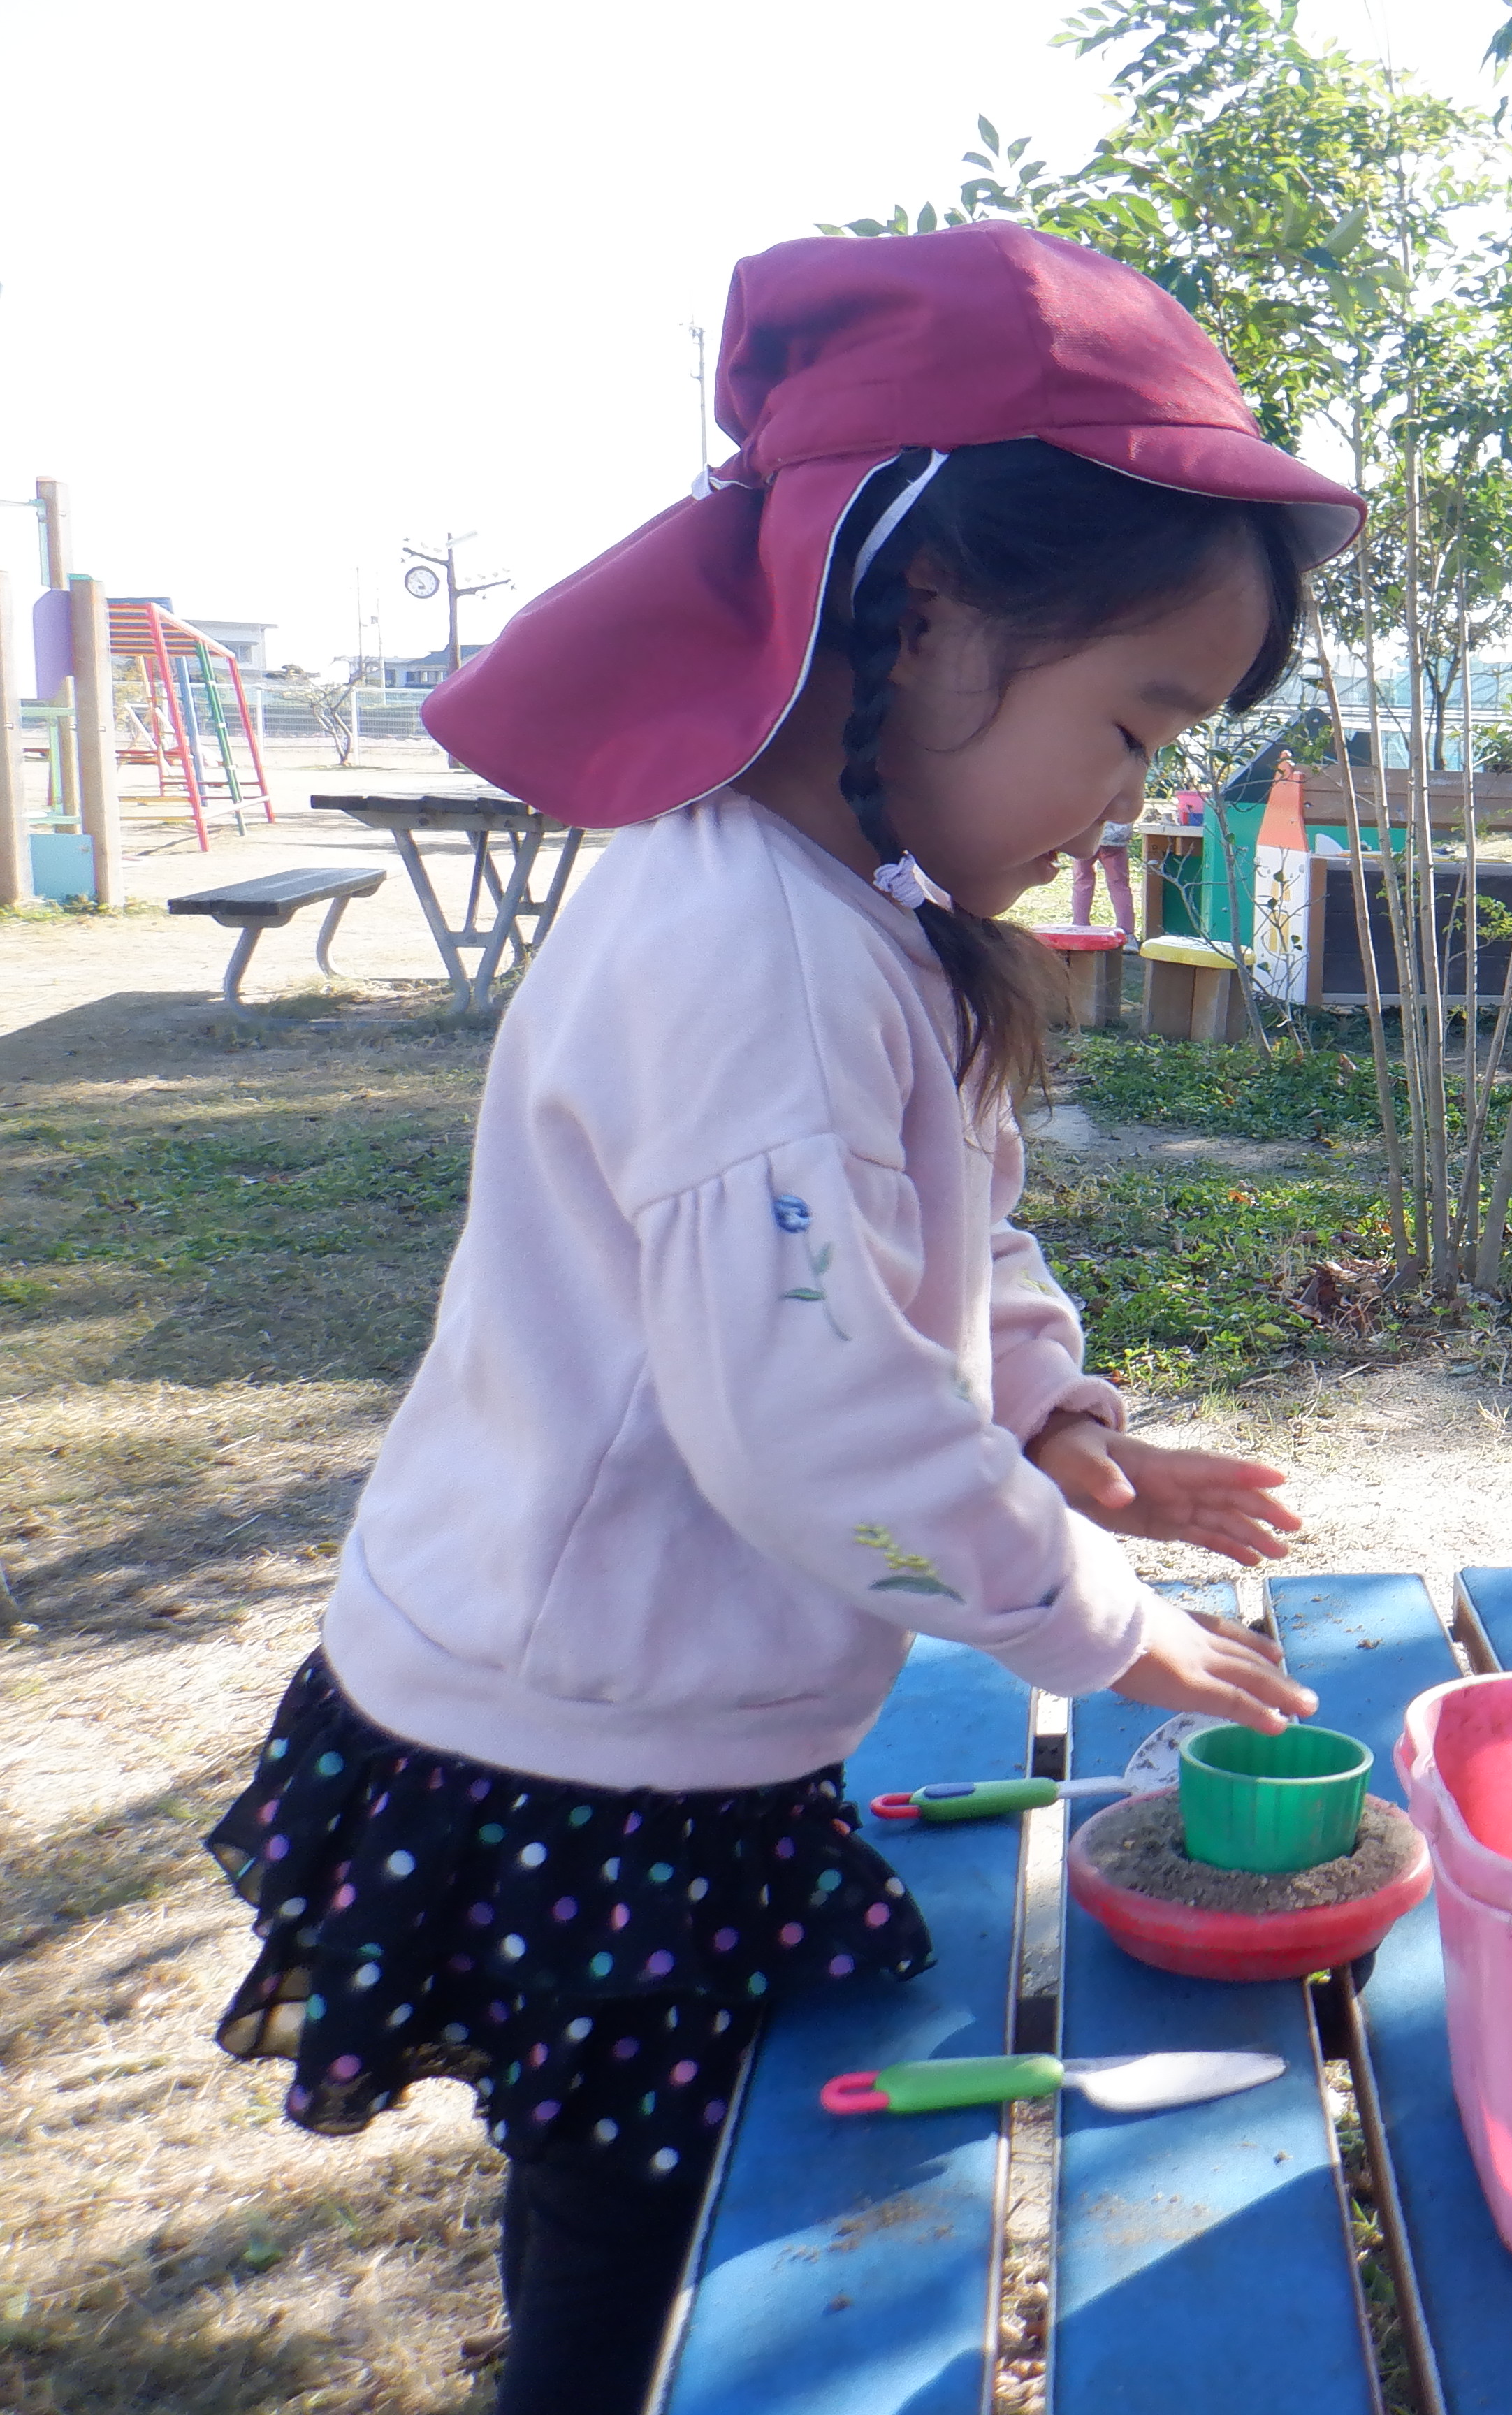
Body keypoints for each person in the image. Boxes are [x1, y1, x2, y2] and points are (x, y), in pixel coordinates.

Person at [200, 224, 1367, 2415]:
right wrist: (1107, 1623)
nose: (1131, 800)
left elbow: (955, 1237)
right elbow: (817, 1429)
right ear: (922, 616)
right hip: (577, 1748)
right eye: (1133, 726)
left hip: (674, 1710)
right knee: (636, 2273)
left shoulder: (859, 913)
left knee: (682, 2218)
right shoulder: (751, 951)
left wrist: (1059, 1421)